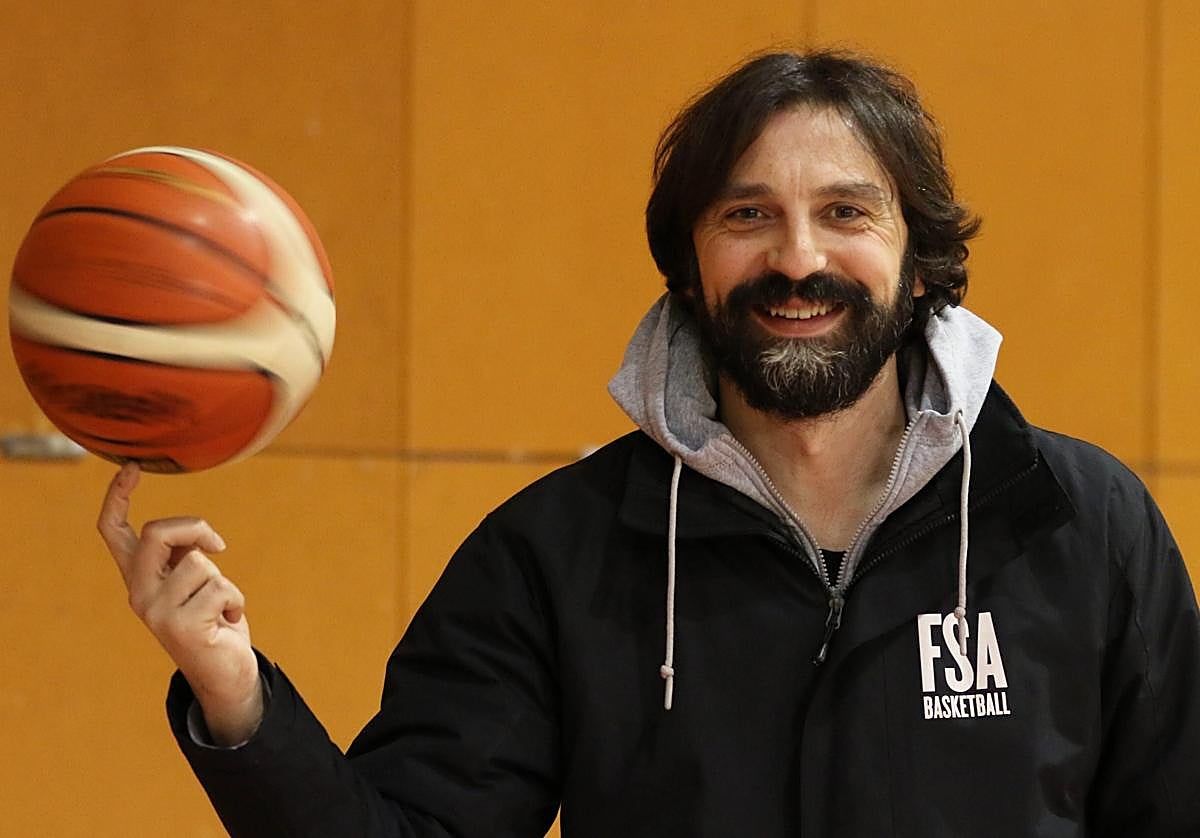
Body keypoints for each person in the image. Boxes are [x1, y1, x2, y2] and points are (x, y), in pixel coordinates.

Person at [98, 50, 1200, 836]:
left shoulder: (1081, 525)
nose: (797, 258)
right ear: (688, 266)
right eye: (746, 215)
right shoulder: (559, 554)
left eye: (848, 214)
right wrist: (237, 698)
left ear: (920, 266)